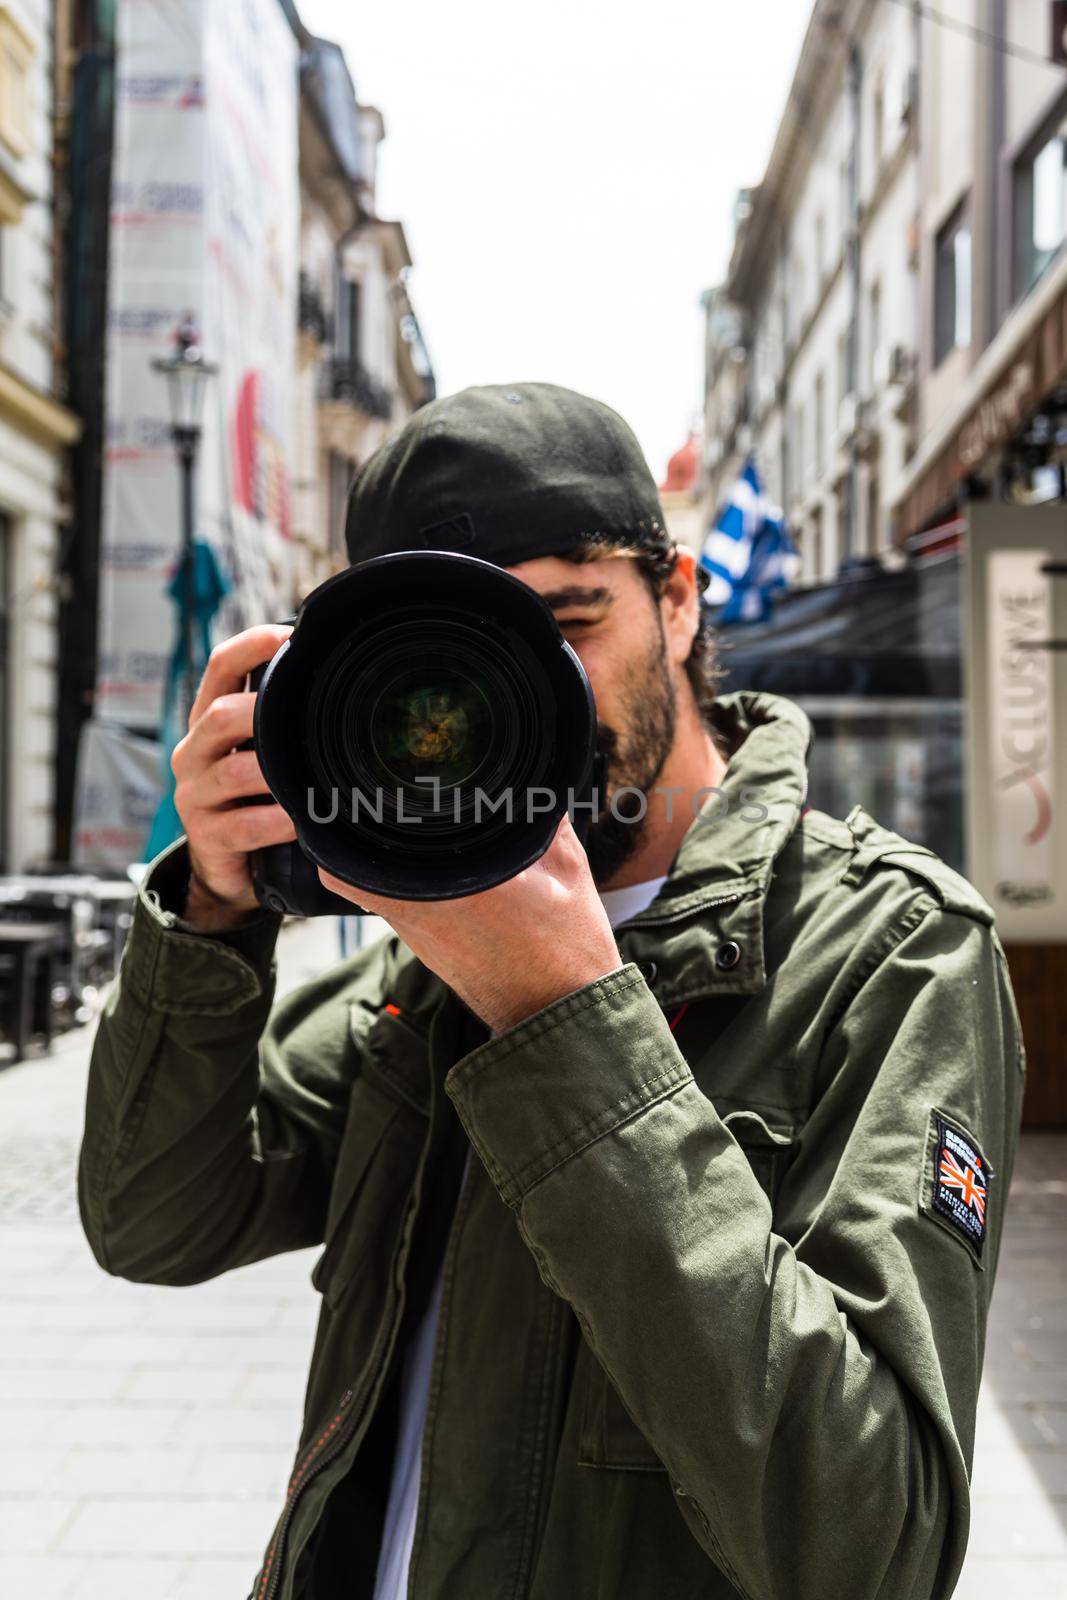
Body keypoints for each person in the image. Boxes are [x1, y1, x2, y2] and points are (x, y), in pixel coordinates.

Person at [78, 382, 1025, 1600]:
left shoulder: (890, 952)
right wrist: (211, 912)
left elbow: (868, 1548)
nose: (518, 696)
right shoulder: (420, 957)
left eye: (567, 623)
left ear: (676, 600)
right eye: (447, 671)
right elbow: (155, 1221)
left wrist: (562, 1015)